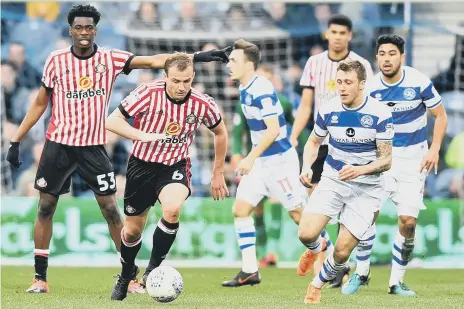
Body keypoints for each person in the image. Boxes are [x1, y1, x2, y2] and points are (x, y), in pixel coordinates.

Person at [5, 4, 230, 294]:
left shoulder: (110, 58)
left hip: (93, 146)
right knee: (46, 207)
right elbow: (39, 102)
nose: (84, 32)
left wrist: (197, 57)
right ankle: (40, 278)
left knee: (111, 210)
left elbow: (154, 62)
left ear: (95, 30)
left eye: (89, 27)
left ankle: (131, 277)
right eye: (79, 27)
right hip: (58, 143)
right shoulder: (56, 61)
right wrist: (16, 139)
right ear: (71, 29)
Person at [106, 53, 229, 301]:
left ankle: (152, 270)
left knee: (172, 209)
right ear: (165, 77)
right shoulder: (147, 93)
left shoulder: (202, 103)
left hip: (175, 165)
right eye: (175, 81)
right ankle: (126, 274)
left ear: (193, 77)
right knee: (131, 232)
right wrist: (141, 135)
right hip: (141, 166)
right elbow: (112, 120)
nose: (181, 87)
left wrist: (218, 172)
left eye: (186, 81)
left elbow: (220, 133)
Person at [342, 34, 448, 296]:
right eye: (381, 54)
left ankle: (395, 282)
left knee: (408, 222)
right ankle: (362, 272)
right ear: (376, 57)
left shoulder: (419, 82)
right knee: (367, 215)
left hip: (414, 159)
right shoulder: (372, 89)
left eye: (391, 53)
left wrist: (434, 149)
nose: (386, 59)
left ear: (402, 56)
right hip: (381, 159)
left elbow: (441, 115)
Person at [221, 39, 329, 287]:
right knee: (240, 210)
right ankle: (250, 270)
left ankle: (331, 255)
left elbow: (273, 131)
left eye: (234, 60)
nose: (229, 65)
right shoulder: (245, 87)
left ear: (249, 64)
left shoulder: (262, 89)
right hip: (262, 164)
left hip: (280, 162)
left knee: (299, 218)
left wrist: (249, 157)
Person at [298, 60, 393, 304]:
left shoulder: (379, 113)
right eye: (339, 82)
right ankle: (316, 248)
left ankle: (316, 285)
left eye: (348, 82)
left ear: (362, 84)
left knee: (341, 252)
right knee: (306, 233)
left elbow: (387, 160)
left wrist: (361, 170)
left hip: (368, 188)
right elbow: (312, 142)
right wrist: (307, 167)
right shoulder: (329, 110)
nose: (342, 87)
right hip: (334, 178)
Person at [290, 15, 374, 285]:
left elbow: (369, 104)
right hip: (321, 142)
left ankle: (338, 265)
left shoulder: (362, 65)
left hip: (351, 145)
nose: (337, 36)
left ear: (349, 36)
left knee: (346, 209)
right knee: (320, 203)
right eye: (333, 31)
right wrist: (294, 135)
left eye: (342, 32)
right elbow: (306, 105)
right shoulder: (314, 63)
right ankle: (327, 254)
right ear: (327, 34)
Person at [231, 64, 308, 267]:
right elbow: (238, 132)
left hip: (278, 162)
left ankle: (274, 250)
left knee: (282, 205)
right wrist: (237, 154)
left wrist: (301, 141)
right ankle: (262, 253)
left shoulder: (282, 102)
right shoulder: (244, 103)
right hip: (254, 162)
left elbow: (298, 125)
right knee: (252, 209)